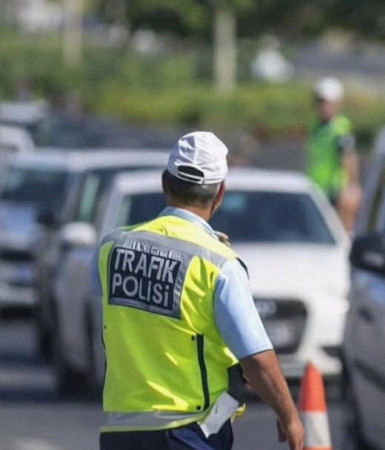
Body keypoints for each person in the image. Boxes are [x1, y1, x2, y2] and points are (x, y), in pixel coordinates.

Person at [93, 131, 304, 450]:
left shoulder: (111, 249)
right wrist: (289, 416)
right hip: (188, 434)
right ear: (220, 193)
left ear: (165, 183)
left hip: (122, 433)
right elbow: (257, 359)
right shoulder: (218, 264)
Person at [305, 76, 361, 233]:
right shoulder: (314, 125)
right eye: (320, 102)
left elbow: (349, 157)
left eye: (327, 102)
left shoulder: (341, 128)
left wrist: (351, 186)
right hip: (315, 187)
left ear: (337, 104)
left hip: (335, 189)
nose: (324, 107)